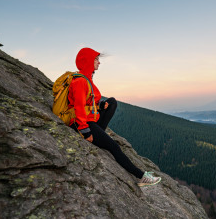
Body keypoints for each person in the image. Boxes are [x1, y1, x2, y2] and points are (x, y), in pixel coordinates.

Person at [68, 47, 161, 187]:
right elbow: (79, 107)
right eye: (96, 59)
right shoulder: (80, 82)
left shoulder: (87, 79)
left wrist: (100, 106)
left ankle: (101, 135)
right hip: (82, 125)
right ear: (88, 61)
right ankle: (142, 177)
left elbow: (88, 102)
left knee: (111, 102)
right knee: (113, 146)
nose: (99, 62)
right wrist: (85, 132)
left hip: (89, 120)